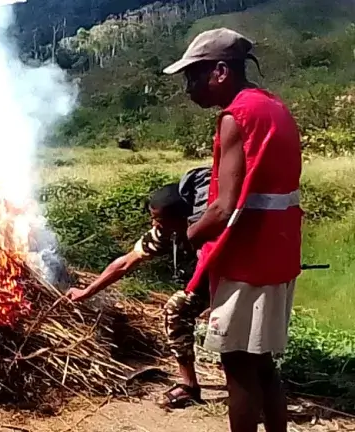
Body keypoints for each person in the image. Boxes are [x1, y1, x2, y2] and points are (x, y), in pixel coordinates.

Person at [163, 28, 302, 432]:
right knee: (260, 361)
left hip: (248, 260)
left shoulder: (235, 117)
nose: (189, 88)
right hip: (278, 253)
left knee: (237, 363)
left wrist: (184, 237)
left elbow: (223, 209)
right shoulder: (272, 106)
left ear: (220, 71)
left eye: (194, 76)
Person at [66, 166, 212, 409]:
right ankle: (192, 384)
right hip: (204, 283)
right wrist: (87, 291)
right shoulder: (165, 233)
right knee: (180, 309)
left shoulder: (209, 230)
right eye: (153, 217)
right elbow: (125, 263)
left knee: (176, 309)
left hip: (234, 281)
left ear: (183, 217)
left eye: (159, 218)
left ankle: (202, 387)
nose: (154, 223)